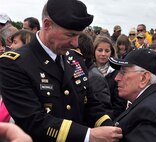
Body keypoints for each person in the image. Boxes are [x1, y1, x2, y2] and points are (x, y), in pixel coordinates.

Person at [0, 0, 122, 141]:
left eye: (78, 35)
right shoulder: (14, 64)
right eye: (70, 35)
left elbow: (91, 103)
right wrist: (88, 135)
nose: (76, 43)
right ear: (47, 25)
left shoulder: (75, 58)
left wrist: (110, 128)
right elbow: (33, 120)